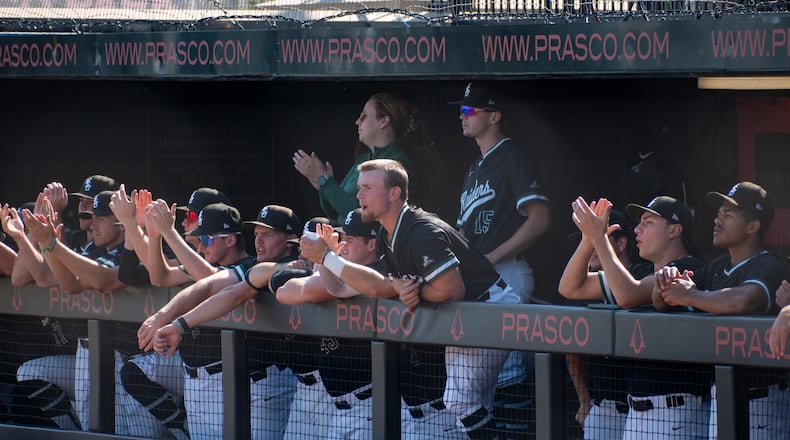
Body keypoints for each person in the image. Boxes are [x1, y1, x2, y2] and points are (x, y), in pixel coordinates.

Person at [299, 158, 509, 439]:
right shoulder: (389, 235)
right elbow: (354, 288)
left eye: (367, 188)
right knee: (472, 405)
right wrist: (326, 261)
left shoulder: (420, 231)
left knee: (460, 401)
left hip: (490, 308)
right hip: (470, 316)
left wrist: (415, 290)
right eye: (359, 188)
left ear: (394, 193)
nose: (359, 195)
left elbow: (451, 291)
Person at [139, 204, 303, 440]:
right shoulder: (255, 269)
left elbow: (210, 281)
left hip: (280, 380)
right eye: (257, 234)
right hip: (252, 382)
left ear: (291, 240)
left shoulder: (306, 269)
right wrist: (171, 320)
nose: (259, 241)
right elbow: (211, 286)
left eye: (267, 234)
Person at [561, 195, 710, 439]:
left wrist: (600, 238)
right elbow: (570, 287)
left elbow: (627, 295)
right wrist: (589, 238)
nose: (637, 229)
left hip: (678, 410)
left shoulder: (688, 269)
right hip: (638, 410)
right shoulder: (638, 273)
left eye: (648, 222)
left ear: (675, 230)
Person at [450, 82, 551, 438]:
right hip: (479, 281)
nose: (461, 116)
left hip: (505, 276)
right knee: (472, 396)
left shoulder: (511, 155)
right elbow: (464, 235)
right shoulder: (474, 168)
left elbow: (539, 219)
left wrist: (490, 257)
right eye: (461, 110)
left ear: (494, 116)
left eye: (469, 110)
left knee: (469, 394)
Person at [654, 181, 790, 440]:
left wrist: (690, 294)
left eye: (728, 214)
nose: (718, 219)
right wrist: (666, 283)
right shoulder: (716, 265)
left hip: (762, 401)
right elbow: (664, 301)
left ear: (752, 226)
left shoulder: (768, 265)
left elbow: (742, 300)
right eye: (719, 212)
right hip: (721, 398)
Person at [293, 92, 417, 224]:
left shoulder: (396, 162)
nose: (357, 122)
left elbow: (362, 213)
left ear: (384, 121)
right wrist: (322, 184)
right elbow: (337, 212)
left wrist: (325, 182)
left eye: (363, 116)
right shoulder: (364, 158)